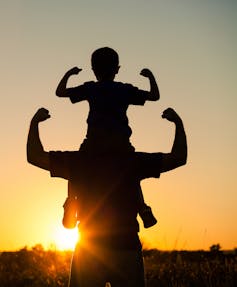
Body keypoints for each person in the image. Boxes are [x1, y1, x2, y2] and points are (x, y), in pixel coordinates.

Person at [27, 106, 187, 287]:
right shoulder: (132, 161)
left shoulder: (78, 161)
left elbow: (34, 156)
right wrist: (178, 123)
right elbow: (178, 157)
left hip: (89, 249)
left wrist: (35, 123)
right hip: (126, 247)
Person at [56, 47, 160, 229]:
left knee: (74, 169)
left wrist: (69, 74)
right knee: (131, 175)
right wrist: (150, 76)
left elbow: (60, 92)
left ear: (93, 69)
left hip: (94, 143)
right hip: (120, 144)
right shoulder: (124, 89)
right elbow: (154, 96)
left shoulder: (91, 88)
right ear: (117, 69)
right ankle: (142, 207)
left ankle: (71, 203)